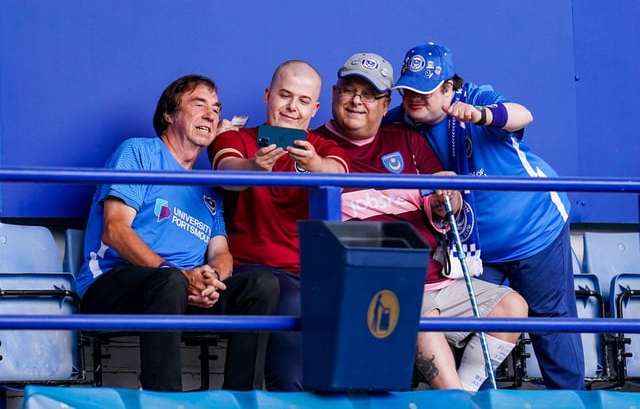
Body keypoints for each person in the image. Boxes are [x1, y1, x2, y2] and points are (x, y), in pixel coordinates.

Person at [313, 52, 528, 391]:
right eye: (348, 90)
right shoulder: (316, 148)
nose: (357, 101)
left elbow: (443, 206)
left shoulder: (407, 139)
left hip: (435, 279)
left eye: (369, 94)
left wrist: (448, 197)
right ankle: (454, 400)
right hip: (377, 287)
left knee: (512, 306)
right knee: (421, 321)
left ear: (386, 105)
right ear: (334, 94)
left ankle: (467, 393)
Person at [385, 42, 584, 390]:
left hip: (534, 228)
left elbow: (523, 114)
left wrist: (482, 116)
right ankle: (469, 400)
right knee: (469, 328)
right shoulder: (397, 122)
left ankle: (573, 401)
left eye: (425, 90)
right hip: (474, 247)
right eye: (408, 90)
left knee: (551, 324)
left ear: (449, 87)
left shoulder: (475, 97)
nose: (414, 98)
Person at [75, 74, 280, 392]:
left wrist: (212, 279)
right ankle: (165, 399)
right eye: (199, 104)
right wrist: (181, 276)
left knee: (261, 284)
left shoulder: (209, 186)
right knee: (168, 281)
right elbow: (115, 230)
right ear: (168, 115)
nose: (211, 114)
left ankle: (241, 399)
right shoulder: (139, 153)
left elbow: (221, 252)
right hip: (114, 284)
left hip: (185, 291)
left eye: (216, 108)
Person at [208, 60, 350, 391]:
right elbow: (226, 173)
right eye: (285, 95)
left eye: (303, 100)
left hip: (308, 275)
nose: (292, 107)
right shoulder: (239, 138)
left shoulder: (324, 147)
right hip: (249, 273)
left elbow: (338, 175)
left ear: (315, 108)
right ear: (267, 95)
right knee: (290, 302)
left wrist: (313, 164)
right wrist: (254, 167)